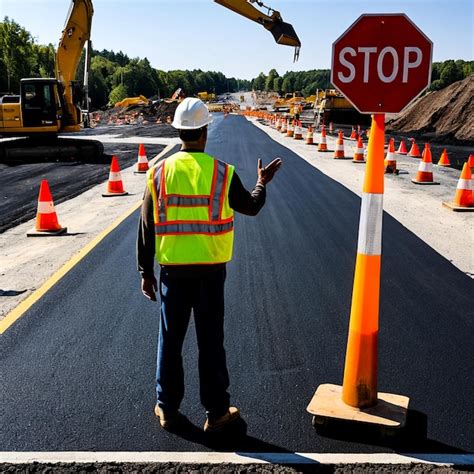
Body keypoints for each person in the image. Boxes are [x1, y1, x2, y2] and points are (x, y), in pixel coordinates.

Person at [137, 98, 282, 432]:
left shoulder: (158, 174)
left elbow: (147, 227)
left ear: (178, 131)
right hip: (211, 276)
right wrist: (262, 182)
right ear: (205, 131)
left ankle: (167, 410)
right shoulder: (222, 173)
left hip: (173, 273)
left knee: (170, 343)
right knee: (211, 343)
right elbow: (252, 206)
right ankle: (217, 413)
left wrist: (146, 273)